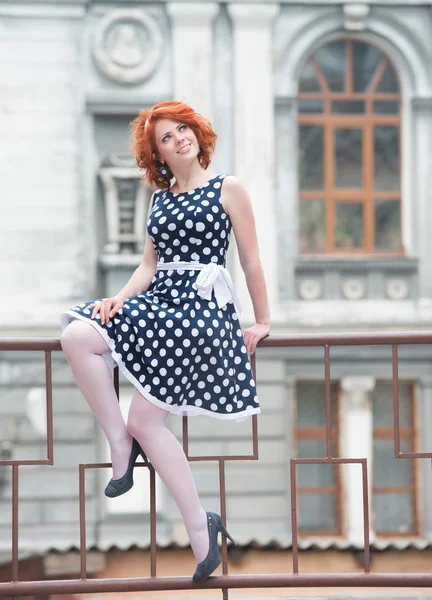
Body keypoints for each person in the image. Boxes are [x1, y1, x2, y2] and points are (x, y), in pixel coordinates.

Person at [60, 100, 271, 581]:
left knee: (147, 420)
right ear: (157, 155)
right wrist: (116, 299)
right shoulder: (162, 199)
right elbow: (149, 266)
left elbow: (251, 259)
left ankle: (200, 531)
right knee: (78, 334)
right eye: (166, 138)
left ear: (196, 134)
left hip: (201, 313)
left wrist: (262, 320)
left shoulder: (227, 188)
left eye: (183, 128)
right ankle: (121, 446)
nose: (179, 138)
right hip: (160, 304)